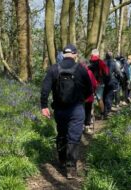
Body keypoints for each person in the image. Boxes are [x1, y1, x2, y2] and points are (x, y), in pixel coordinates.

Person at [40, 44, 93, 179]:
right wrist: (82, 99)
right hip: (77, 109)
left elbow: (45, 88)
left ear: (63, 54)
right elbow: (89, 89)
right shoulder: (81, 69)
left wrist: (44, 106)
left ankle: (62, 160)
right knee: (74, 137)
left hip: (59, 109)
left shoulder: (53, 68)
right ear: (75, 54)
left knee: (62, 134)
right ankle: (71, 168)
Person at [88, 49, 109, 117]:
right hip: (100, 83)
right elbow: (106, 72)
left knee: (90, 98)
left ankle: (90, 114)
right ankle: (103, 114)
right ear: (98, 55)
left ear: (92, 54)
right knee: (100, 99)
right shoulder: (101, 62)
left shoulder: (89, 62)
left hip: (90, 83)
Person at [79, 58, 97, 135]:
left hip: (79, 97)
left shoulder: (76, 72)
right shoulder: (89, 72)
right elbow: (94, 84)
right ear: (86, 64)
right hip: (89, 96)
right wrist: (93, 92)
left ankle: (80, 127)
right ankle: (87, 126)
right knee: (88, 111)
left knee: (80, 111)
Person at [103, 51, 121, 116]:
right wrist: (118, 79)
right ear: (112, 56)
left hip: (103, 82)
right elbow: (118, 72)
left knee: (104, 96)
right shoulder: (114, 63)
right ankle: (107, 111)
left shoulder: (102, 62)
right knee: (109, 96)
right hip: (111, 82)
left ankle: (104, 110)